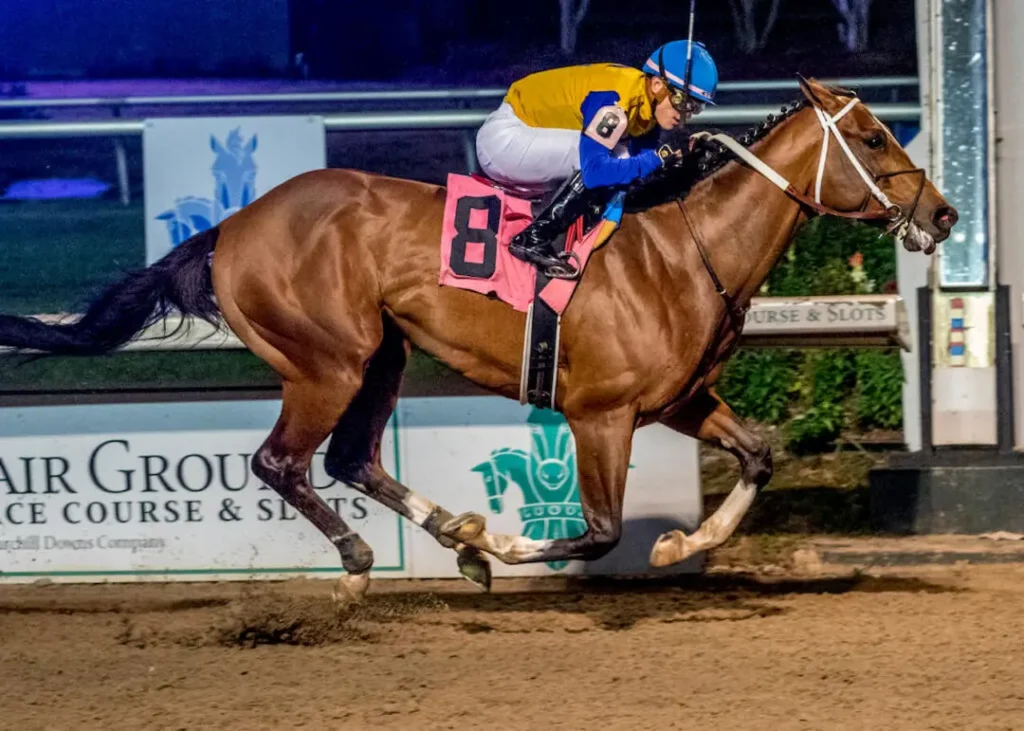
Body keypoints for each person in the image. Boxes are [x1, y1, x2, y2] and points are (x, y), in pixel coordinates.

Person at [475, 40, 719, 279]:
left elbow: (644, 168)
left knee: (625, 161)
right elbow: (594, 172)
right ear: (657, 85)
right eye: (682, 102)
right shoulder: (616, 102)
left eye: (695, 107)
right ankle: (533, 238)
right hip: (504, 139)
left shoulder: (646, 109)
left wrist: (679, 163)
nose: (685, 115)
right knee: (608, 157)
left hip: (527, 137)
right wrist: (660, 157)